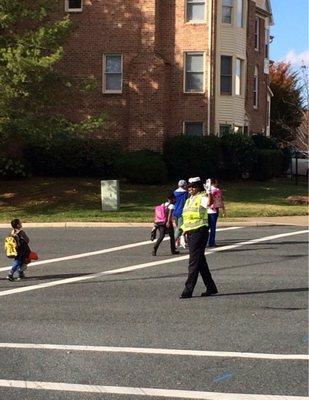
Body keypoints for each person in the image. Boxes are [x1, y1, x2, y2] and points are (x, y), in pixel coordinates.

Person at [180, 177, 218, 298]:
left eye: (193, 186)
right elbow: (187, 217)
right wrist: (183, 232)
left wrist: (209, 192)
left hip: (199, 231)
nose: (190, 188)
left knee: (193, 261)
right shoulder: (189, 199)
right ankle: (211, 287)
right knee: (200, 261)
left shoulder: (201, 196)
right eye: (189, 186)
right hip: (190, 232)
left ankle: (188, 289)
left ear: (198, 187)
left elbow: (209, 203)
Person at [152, 192, 179, 256]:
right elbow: (170, 214)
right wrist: (168, 222)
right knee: (172, 236)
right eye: (174, 198)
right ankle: (173, 250)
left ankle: (155, 248)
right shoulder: (172, 206)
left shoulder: (163, 204)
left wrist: (155, 223)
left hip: (160, 222)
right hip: (167, 222)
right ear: (172, 199)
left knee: (161, 236)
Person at [207, 178, 226, 247]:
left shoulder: (207, 190)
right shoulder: (217, 190)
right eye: (216, 182)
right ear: (214, 183)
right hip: (214, 210)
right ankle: (211, 242)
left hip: (207, 210)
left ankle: (205, 241)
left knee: (207, 227)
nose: (217, 184)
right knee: (213, 227)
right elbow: (220, 200)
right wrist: (223, 209)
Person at [173, 179, 188, 248]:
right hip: (182, 212)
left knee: (177, 227)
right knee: (180, 228)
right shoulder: (185, 193)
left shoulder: (174, 192)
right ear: (184, 186)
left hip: (174, 211)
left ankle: (178, 242)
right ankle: (173, 241)